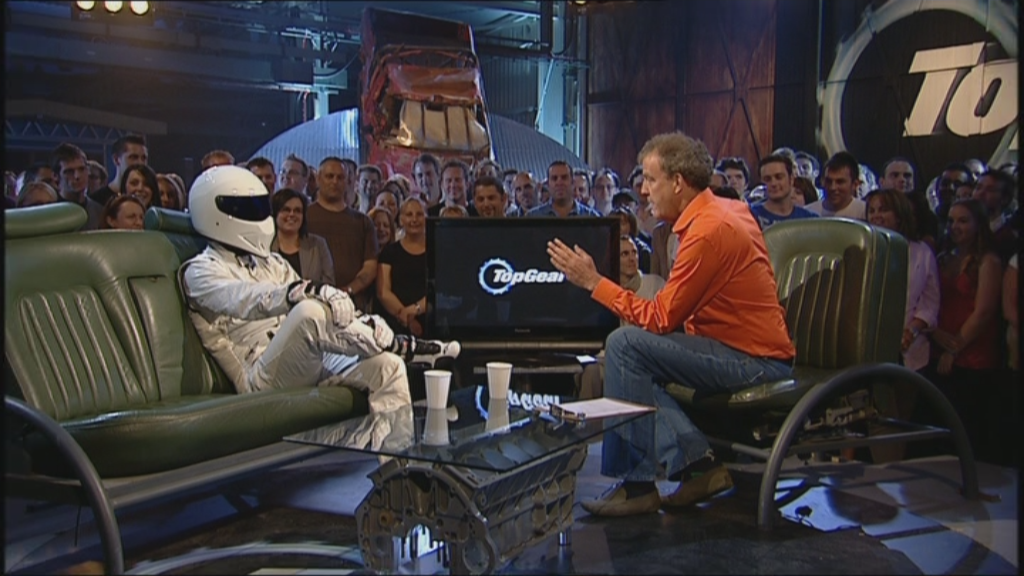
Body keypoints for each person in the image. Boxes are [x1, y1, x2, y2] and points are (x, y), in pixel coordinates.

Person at [548, 131, 794, 516]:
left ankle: (637, 486)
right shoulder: (722, 211)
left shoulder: (709, 231)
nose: (643, 190)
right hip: (731, 349)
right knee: (634, 358)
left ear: (678, 182)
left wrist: (594, 282)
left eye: (650, 179)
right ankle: (696, 466)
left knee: (624, 345)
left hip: (753, 361)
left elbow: (661, 318)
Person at [180, 166, 459, 413]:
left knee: (388, 366)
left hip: (307, 356)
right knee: (309, 311)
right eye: (247, 209)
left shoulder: (272, 262)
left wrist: (364, 320)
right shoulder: (199, 271)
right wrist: (307, 291)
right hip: (260, 373)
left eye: (260, 207)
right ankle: (403, 346)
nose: (258, 216)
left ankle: (393, 452)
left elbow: (315, 306)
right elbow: (248, 299)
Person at [926, 199, 1001, 461]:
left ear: (978, 224)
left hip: (972, 356)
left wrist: (953, 349)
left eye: (963, 221)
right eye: (951, 221)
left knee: (968, 431)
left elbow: (983, 313)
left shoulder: (988, 261)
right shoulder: (943, 258)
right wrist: (935, 334)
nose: (955, 226)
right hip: (939, 349)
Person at [376, 198, 429, 337]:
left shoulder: (437, 250)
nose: (414, 219)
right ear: (401, 220)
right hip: (395, 323)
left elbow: (440, 290)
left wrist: (416, 309)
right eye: (409, 214)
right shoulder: (389, 252)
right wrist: (407, 318)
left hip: (430, 320)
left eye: (419, 214)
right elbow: (383, 292)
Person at [270, 188, 335, 286]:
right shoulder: (265, 246)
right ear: (275, 214)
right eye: (286, 210)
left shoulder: (318, 245)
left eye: (297, 211)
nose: (292, 214)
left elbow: (329, 283)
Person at [749, 154, 818, 230]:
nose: (773, 183)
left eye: (779, 177)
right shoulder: (750, 216)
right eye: (767, 179)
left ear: (791, 179)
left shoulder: (809, 220)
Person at [805, 151, 866, 220]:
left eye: (840, 182)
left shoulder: (865, 213)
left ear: (855, 184)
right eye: (828, 181)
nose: (832, 187)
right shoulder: (807, 213)